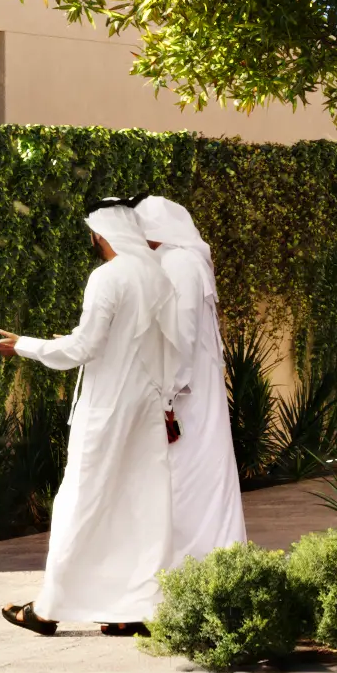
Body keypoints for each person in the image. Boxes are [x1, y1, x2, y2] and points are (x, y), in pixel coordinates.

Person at [0, 203, 179, 635]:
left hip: (106, 412)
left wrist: (25, 346)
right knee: (140, 507)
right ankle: (133, 610)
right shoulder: (159, 278)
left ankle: (49, 610)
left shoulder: (107, 277)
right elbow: (159, 348)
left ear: (99, 234)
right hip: (145, 410)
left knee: (81, 504)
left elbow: (82, 350)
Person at [137, 196, 250, 562]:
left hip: (187, 397)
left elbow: (180, 338)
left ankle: (195, 571)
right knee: (199, 479)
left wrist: (167, 400)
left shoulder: (179, 264)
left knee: (188, 482)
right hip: (194, 392)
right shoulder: (183, 262)